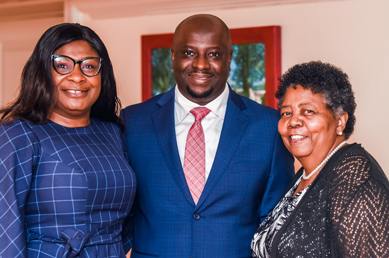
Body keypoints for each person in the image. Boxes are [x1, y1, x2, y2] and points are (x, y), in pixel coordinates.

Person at [120, 14, 294, 258]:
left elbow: (276, 221)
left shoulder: (268, 126)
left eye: (214, 54)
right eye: (189, 53)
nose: (201, 64)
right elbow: (119, 210)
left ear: (230, 58)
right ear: (173, 56)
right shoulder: (133, 122)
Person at [0, 23, 136, 257]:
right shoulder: (18, 134)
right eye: (62, 65)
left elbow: (129, 221)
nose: (77, 77)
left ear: (102, 75)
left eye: (89, 66)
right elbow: (5, 230)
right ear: (43, 72)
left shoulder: (112, 132)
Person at [251, 61, 389, 257]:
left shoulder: (357, 181)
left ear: (340, 121)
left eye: (308, 111)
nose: (294, 121)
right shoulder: (306, 176)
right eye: (286, 113)